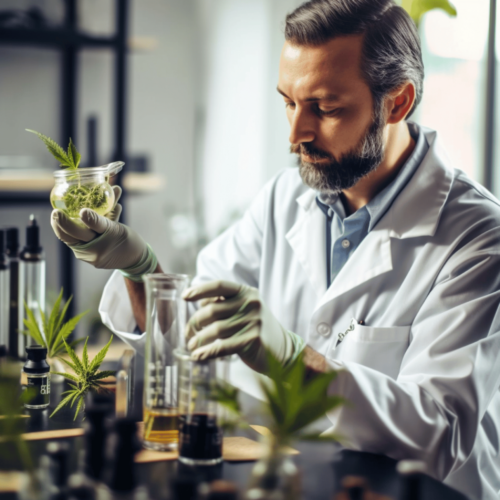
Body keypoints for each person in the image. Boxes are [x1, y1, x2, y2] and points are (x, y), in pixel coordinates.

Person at [51, 1, 500, 498]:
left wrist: (293, 360)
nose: (296, 135)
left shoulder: (477, 236)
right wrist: (141, 270)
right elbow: (192, 337)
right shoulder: (284, 200)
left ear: (397, 103)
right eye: (289, 102)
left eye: (326, 108)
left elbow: (440, 433)